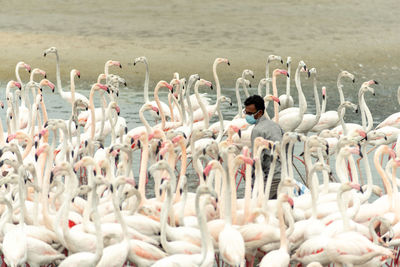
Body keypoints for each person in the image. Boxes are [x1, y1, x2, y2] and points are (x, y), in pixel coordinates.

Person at [244, 94, 284, 199]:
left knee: (258, 205)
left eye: (249, 113)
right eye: (245, 112)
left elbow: (257, 159)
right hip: (285, 175)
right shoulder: (276, 125)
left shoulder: (257, 130)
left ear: (260, 112)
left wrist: (254, 184)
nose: (247, 116)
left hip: (272, 177)